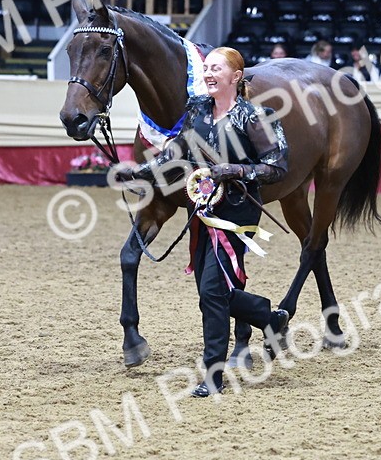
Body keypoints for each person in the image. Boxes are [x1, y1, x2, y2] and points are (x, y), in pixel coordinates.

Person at [113, 47, 290, 397]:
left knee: (211, 291)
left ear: (235, 78)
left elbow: (277, 166)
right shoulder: (196, 111)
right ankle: (269, 318)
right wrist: (140, 171)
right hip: (205, 207)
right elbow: (176, 151)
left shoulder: (256, 117)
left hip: (238, 213)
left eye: (216, 69)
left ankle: (213, 376)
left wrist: (236, 170)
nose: (208, 74)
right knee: (214, 292)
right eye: (206, 69)